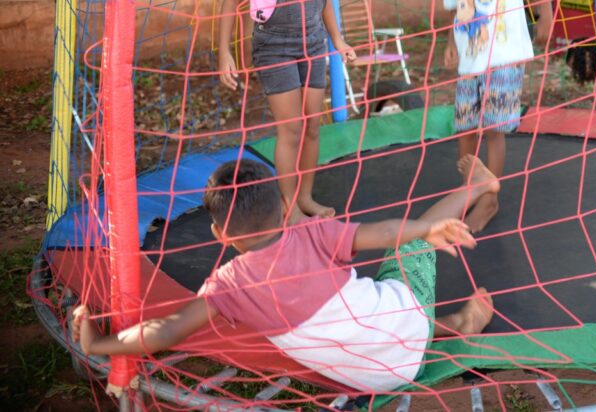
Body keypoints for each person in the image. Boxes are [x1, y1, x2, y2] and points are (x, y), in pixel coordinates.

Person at [71, 157, 499, 392]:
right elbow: (387, 232)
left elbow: (165, 331)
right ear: (283, 210)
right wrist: (426, 232)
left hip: (373, 378)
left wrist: (98, 343)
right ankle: (477, 186)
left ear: (220, 234)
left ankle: (458, 322)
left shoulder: (227, 286)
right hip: (405, 328)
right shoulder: (312, 233)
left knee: (368, 323)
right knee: (409, 244)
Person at [218, 0, 356, 224]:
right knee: (291, 128)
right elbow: (231, 1)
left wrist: (337, 39)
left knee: (312, 126)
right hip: (274, 45)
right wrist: (224, 52)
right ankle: (289, 207)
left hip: (313, 42)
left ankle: (305, 197)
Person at [432, 0, 554, 232]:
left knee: (493, 129)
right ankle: (469, 192)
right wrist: (449, 43)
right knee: (465, 128)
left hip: (504, 56)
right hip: (470, 59)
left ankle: (488, 199)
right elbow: (456, 8)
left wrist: (546, 16)